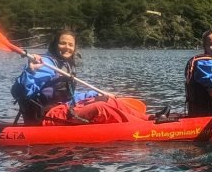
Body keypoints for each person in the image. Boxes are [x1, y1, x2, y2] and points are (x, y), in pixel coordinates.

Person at [11, 28, 143, 125]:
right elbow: (22, 92)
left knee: (109, 100)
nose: (67, 47)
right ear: (55, 45)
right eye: (62, 43)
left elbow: (69, 96)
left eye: (70, 44)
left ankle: (150, 119)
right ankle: (141, 126)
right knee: (100, 108)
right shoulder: (45, 64)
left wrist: (93, 94)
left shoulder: (63, 65)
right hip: (47, 116)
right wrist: (30, 71)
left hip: (64, 108)